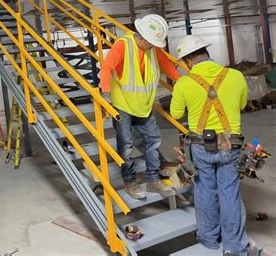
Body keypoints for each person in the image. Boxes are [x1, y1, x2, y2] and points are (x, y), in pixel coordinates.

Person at [170, 35, 250, 255]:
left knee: (205, 191)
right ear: (206, 52)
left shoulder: (184, 82)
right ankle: (234, 246)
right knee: (230, 192)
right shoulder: (235, 75)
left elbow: (176, 113)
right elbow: (242, 104)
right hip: (230, 144)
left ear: (187, 61)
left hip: (200, 146)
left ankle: (209, 240)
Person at [100, 14, 180, 199]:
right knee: (126, 145)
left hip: (143, 105)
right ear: (141, 37)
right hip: (123, 105)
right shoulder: (123, 45)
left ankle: (153, 180)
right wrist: (105, 94)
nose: (153, 46)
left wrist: (179, 81)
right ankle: (130, 182)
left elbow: (166, 64)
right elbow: (106, 67)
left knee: (153, 139)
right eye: (150, 42)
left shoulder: (152, 48)